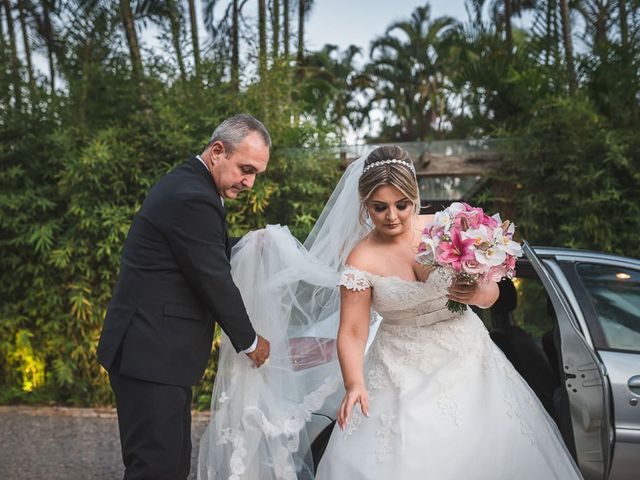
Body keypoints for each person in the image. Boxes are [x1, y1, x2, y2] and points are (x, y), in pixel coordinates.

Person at [198, 146, 583, 480]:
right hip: (398, 371)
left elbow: (492, 296)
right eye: (379, 207)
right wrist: (354, 383)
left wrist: (477, 290)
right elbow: (351, 331)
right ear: (365, 205)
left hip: (470, 362)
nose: (393, 216)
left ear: (415, 196)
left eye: (402, 204)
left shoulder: (455, 226)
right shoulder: (362, 258)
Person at [97, 114, 272, 480]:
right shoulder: (193, 196)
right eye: (246, 169)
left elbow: (198, 252)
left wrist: (248, 245)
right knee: (156, 468)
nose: (250, 182)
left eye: (256, 173)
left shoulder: (190, 185)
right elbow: (213, 278)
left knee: (170, 466)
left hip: (156, 353)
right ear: (217, 151)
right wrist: (250, 341)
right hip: (150, 353)